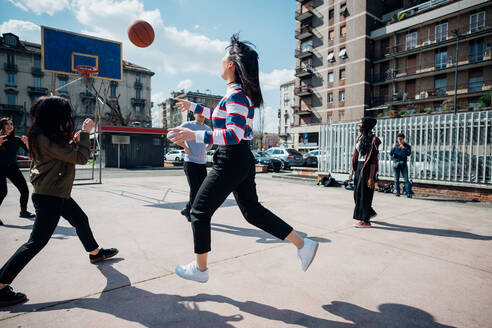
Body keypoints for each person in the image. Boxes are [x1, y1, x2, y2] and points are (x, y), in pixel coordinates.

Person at [168, 34, 319, 283]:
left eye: (223, 57)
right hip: (241, 159)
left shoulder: (236, 95)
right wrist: (193, 107)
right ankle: (303, 245)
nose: (220, 60)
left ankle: (200, 269)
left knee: (199, 211)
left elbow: (232, 133)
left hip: (231, 158)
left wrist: (194, 134)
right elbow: (219, 115)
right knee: (252, 212)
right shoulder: (235, 95)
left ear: (230, 65)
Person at [0, 96, 118, 307]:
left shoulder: (44, 134)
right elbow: (80, 158)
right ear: (56, 117)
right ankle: (0, 285)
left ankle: (95, 253)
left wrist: (75, 139)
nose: (69, 118)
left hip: (56, 192)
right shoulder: (46, 139)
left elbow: (63, 154)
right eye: (66, 115)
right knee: (36, 242)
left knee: (80, 219)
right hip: (50, 196)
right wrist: (85, 135)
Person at [175, 113, 212, 222]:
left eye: (203, 113)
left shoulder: (207, 128)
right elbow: (171, 134)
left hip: (202, 164)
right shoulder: (188, 125)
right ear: (194, 114)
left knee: (202, 191)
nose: (201, 115)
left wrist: (209, 146)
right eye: (199, 113)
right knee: (195, 189)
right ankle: (193, 212)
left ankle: (187, 209)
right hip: (190, 163)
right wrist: (184, 146)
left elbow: (211, 141)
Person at [0, 118, 36, 226]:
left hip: (13, 167)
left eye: (11, 124)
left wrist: (27, 142)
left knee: (24, 190)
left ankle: (23, 211)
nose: (10, 126)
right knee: (2, 192)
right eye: (7, 124)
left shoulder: (16, 139)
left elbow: (31, 151)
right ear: (2, 126)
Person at [348, 117, 381, 228]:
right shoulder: (359, 137)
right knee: (357, 194)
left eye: (360, 124)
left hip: (368, 169)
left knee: (365, 195)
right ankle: (369, 212)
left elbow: (373, 160)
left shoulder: (374, 139)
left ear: (366, 125)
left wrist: (371, 177)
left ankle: (365, 220)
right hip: (358, 168)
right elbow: (356, 156)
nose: (358, 125)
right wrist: (352, 171)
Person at [390, 133, 413, 198]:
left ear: (403, 139)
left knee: (406, 179)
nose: (399, 141)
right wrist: (392, 148)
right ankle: (397, 192)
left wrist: (404, 148)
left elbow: (409, 153)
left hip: (403, 164)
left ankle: (408, 193)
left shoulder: (407, 146)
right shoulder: (395, 145)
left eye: (401, 139)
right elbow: (391, 154)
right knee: (396, 179)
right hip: (396, 163)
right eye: (398, 139)